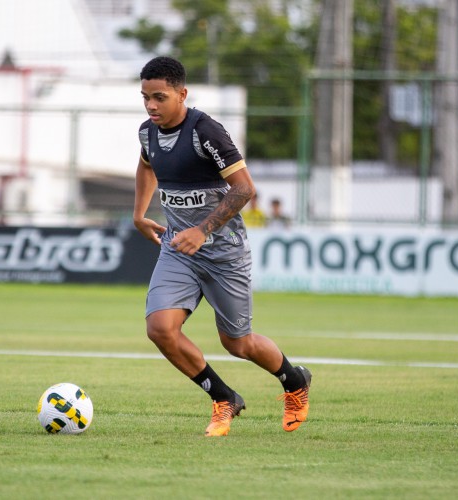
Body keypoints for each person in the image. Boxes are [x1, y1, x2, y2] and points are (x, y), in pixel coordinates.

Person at [132, 56, 311, 437]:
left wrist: (203, 229)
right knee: (160, 328)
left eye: (159, 97)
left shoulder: (205, 131)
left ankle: (294, 381)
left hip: (223, 250)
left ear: (182, 94)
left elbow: (245, 188)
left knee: (238, 343)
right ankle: (223, 397)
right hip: (178, 249)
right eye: (145, 97)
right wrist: (138, 214)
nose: (150, 106)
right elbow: (146, 166)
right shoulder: (148, 132)